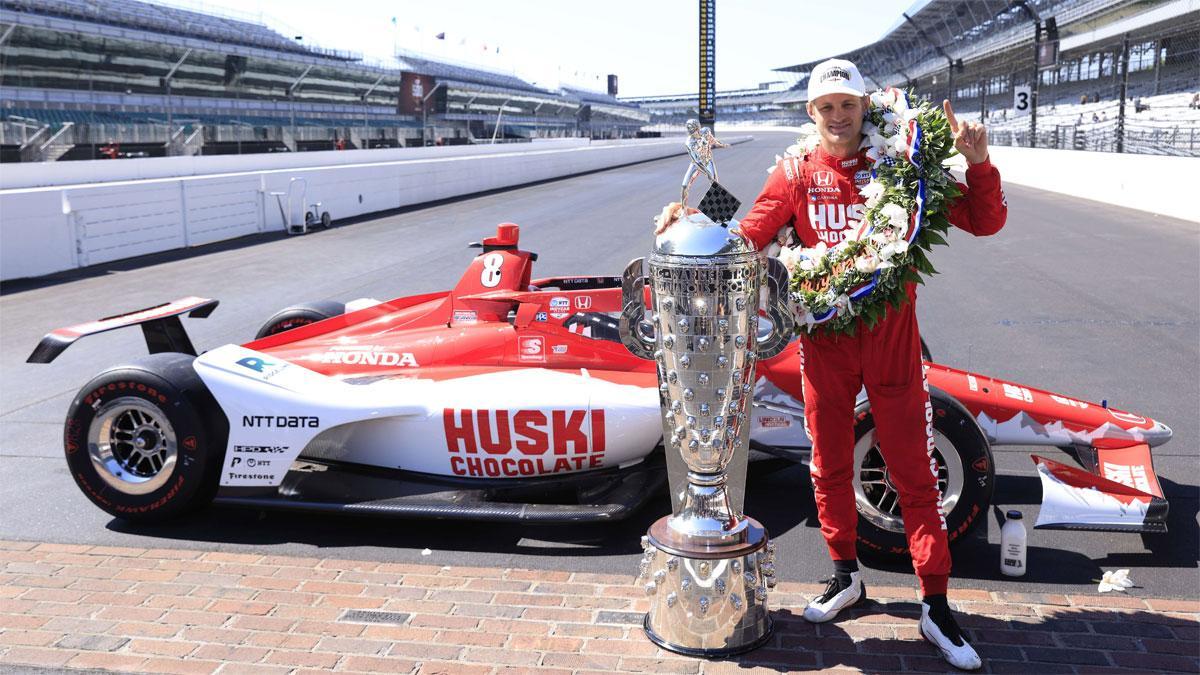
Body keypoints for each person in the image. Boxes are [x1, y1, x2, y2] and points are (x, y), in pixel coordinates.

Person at [655, 58, 1006, 671]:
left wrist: (978, 163)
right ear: (811, 114)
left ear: (865, 108)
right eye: (827, 106)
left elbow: (985, 219)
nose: (839, 116)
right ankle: (846, 575)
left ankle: (935, 603)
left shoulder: (904, 163)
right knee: (828, 464)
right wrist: (691, 222)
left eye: (848, 104)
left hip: (892, 340)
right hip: (825, 343)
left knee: (913, 473)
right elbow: (748, 235)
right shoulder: (795, 172)